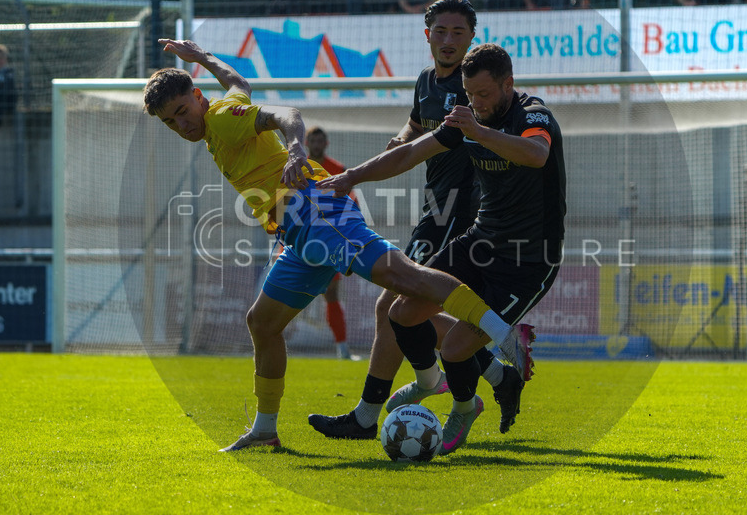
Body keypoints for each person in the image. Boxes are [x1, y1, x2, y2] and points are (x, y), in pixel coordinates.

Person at [143, 38, 531, 452]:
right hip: (297, 233)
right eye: (170, 122)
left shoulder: (220, 118)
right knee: (263, 322)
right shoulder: (220, 113)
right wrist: (201, 56)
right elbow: (237, 81)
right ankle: (264, 429)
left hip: (316, 209)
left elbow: (286, 114)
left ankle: (504, 336)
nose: (181, 125)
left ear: (198, 98)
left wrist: (295, 147)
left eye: (182, 111)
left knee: (406, 279)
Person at [317, 43, 565, 455]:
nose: (476, 103)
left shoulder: (532, 114)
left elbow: (537, 154)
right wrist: (352, 177)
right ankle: (442, 381)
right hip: (480, 240)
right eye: (470, 95)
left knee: (454, 348)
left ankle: (465, 408)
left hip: (528, 258)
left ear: (509, 84)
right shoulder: (467, 118)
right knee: (402, 312)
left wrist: (479, 131)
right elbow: (411, 153)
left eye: (484, 95)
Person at [304, 125, 358, 360]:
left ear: (325, 143)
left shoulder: (339, 170)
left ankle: (342, 347)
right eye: (312, 141)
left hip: (330, 240)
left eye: (320, 141)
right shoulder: (296, 167)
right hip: (302, 238)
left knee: (332, 293)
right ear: (307, 143)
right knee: (287, 293)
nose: (316, 144)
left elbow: (349, 204)